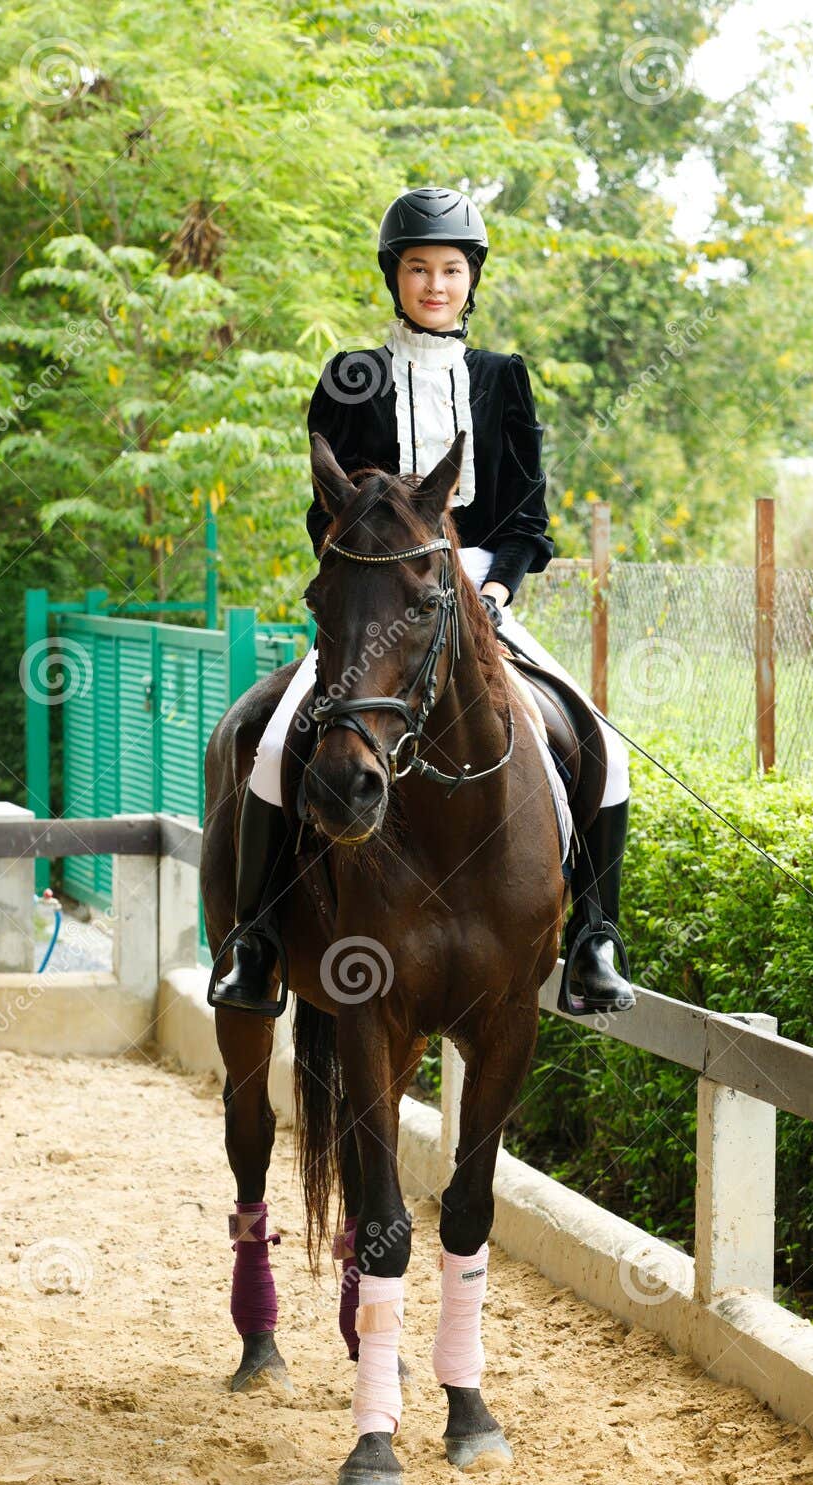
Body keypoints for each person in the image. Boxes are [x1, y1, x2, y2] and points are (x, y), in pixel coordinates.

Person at [209, 186, 635, 1017]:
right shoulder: (348, 376)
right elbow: (322, 507)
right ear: (394, 278)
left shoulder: (503, 380)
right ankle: (256, 943)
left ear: (470, 280)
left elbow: (528, 518)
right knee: (268, 747)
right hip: (375, 601)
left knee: (603, 747)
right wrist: (367, 587)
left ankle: (594, 941)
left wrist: (498, 582)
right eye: (418, 269)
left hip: (480, 596)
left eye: (449, 269)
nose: (434, 284)